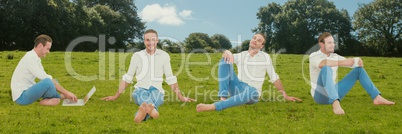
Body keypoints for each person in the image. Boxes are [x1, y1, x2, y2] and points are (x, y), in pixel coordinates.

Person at [102, 29, 196, 123]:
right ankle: (153, 111)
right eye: (147, 40)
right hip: (140, 89)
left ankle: (142, 112)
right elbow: (128, 77)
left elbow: (170, 78)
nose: (150, 42)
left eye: (153, 39)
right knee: (143, 95)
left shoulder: (164, 56)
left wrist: (181, 97)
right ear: (144, 41)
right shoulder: (137, 56)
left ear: (157, 40)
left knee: (155, 97)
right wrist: (115, 96)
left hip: (157, 90)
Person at [196, 33, 302, 112]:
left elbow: (274, 77)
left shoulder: (265, 57)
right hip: (238, 88)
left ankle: (216, 106)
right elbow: (226, 57)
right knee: (224, 60)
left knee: (252, 91)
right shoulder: (241, 55)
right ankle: (223, 98)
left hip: (252, 94)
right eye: (254, 38)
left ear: (261, 46)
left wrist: (285, 95)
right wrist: (227, 52)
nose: (255, 40)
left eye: (259, 40)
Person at [309, 32, 395, 115]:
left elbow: (350, 62)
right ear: (321, 44)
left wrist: (358, 60)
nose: (333, 45)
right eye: (329, 42)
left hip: (335, 91)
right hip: (320, 95)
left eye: (333, 42)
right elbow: (322, 63)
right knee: (326, 68)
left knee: (359, 70)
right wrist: (342, 62)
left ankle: (377, 98)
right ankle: (335, 104)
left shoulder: (335, 56)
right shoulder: (314, 55)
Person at [11, 34, 78, 106]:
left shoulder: (35, 58)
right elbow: (46, 79)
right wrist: (66, 92)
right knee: (48, 82)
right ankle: (46, 101)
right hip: (21, 97)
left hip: (28, 90)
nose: (48, 52)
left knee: (54, 82)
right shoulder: (30, 59)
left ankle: (56, 97)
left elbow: (44, 76)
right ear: (40, 46)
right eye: (48, 49)